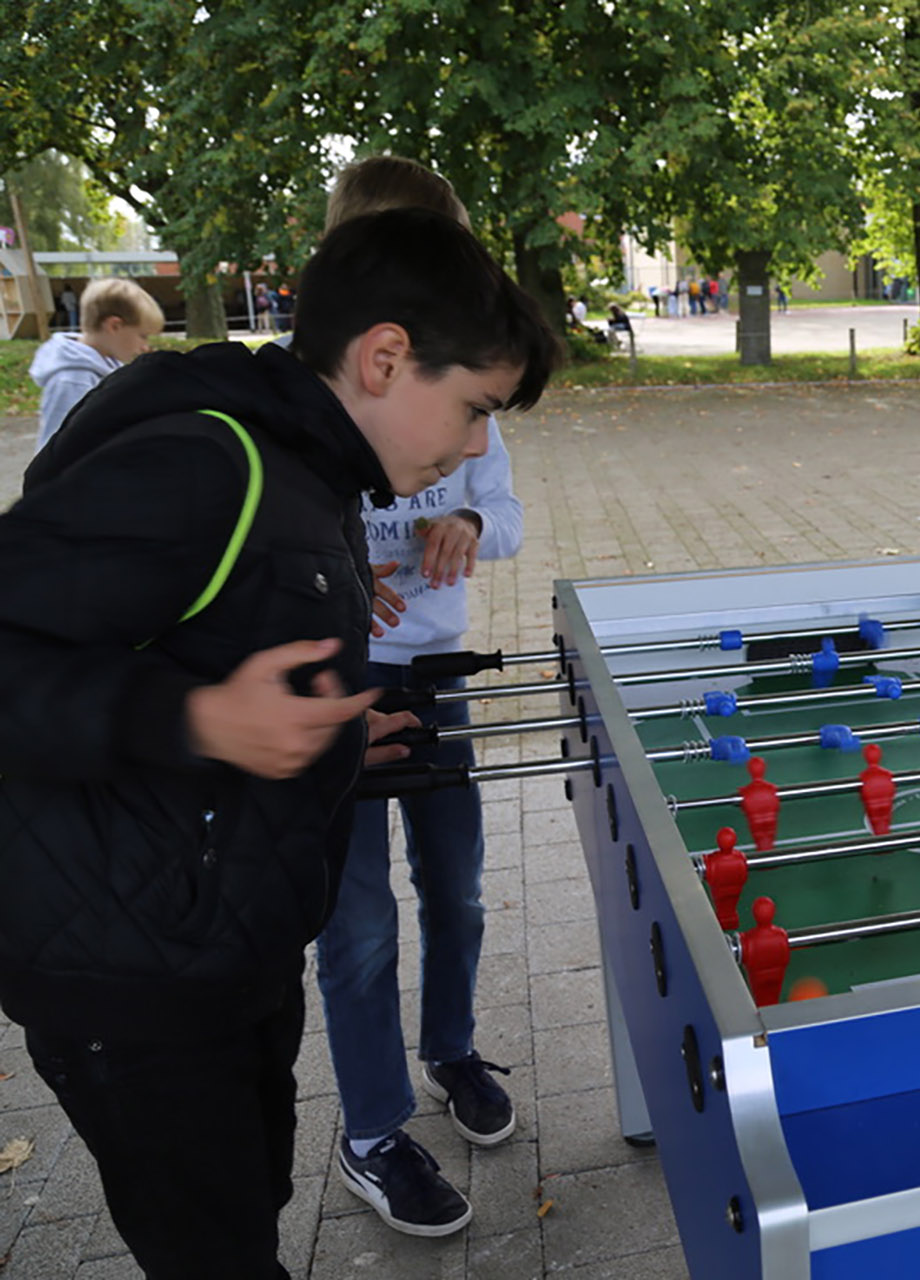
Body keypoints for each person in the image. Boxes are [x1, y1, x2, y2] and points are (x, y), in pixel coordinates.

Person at [0, 206, 558, 1279]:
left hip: (222, 943)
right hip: (125, 976)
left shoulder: (316, 470)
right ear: (386, 356)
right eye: (476, 406)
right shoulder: (207, 461)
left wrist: (342, 740)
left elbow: (215, 636)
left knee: (251, 1210)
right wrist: (201, 719)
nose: (479, 445)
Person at [307, 154, 528, 1240]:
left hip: (434, 677)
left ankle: (449, 1048)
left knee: (461, 889)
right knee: (354, 924)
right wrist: (341, 583)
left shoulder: (467, 385)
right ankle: (370, 1126)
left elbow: (508, 506)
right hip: (337, 690)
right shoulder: (312, 397)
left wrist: (475, 524)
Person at [30, 276, 166, 453]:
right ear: (114, 326)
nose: (145, 346)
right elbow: (54, 450)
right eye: (142, 336)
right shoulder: (72, 380)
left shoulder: (109, 361)